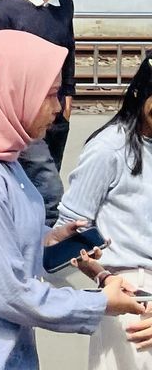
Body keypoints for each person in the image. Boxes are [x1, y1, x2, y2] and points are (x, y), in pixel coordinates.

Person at [0, 30, 144, 369]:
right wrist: (99, 303)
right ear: (11, 95)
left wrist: (49, 240)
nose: (57, 109)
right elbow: (9, 294)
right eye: (48, 96)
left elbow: (0, 244)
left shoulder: (6, 163)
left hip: (5, 352)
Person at [59, 57, 152, 369]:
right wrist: (104, 278)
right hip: (132, 299)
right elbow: (67, 235)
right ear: (140, 93)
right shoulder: (110, 149)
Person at [0, 0, 75, 226]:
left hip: (57, 113)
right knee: (50, 192)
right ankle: (43, 253)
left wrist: (69, 94)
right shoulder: (5, 11)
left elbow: (68, 50)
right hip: (22, 118)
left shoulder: (65, 4)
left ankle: (24, 241)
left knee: (37, 186)